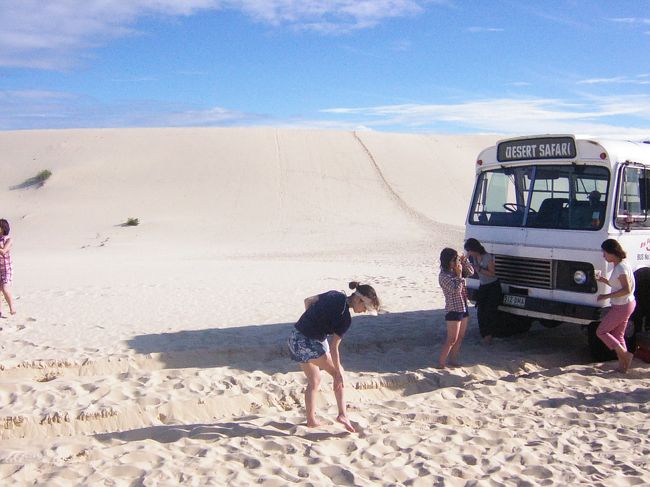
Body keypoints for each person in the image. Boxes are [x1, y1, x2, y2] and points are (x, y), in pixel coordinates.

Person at [287, 281, 380, 432]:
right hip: (307, 343)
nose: (364, 311)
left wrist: (314, 322)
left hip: (294, 338)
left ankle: (311, 420)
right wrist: (337, 373)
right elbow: (334, 348)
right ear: (358, 299)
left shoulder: (334, 294)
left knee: (314, 380)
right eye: (365, 307)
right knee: (339, 374)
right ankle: (342, 415)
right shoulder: (345, 319)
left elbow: (308, 301)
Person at [596, 239, 636, 373]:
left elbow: (627, 289)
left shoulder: (620, 267)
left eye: (605, 253)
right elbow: (618, 285)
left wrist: (605, 296)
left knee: (601, 331)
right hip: (625, 304)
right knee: (618, 335)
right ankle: (623, 366)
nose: (604, 256)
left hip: (623, 305)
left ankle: (625, 355)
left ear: (612, 252)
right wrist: (604, 281)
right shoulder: (621, 264)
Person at [438, 248, 474, 368]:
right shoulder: (444, 275)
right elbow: (456, 290)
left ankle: (452, 360)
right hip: (453, 308)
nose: (456, 262)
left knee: (460, 337)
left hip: (463, 306)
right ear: (448, 261)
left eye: (457, 259)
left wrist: (464, 262)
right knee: (451, 339)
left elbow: (471, 272)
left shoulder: (455, 270)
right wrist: (459, 275)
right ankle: (441, 363)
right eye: (454, 259)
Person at [464, 238, 500, 344]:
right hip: (483, 286)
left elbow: (493, 274)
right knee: (481, 311)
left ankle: (489, 336)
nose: (469, 252)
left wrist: (479, 269)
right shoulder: (474, 257)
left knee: (489, 312)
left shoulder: (487, 257)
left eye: (470, 250)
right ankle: (484, 335)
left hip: (493, 286)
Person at [0, 219, 16, 318]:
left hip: (7, 269)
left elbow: (4, 251)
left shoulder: (9, 239)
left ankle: (12, 308)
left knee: (5, 289)